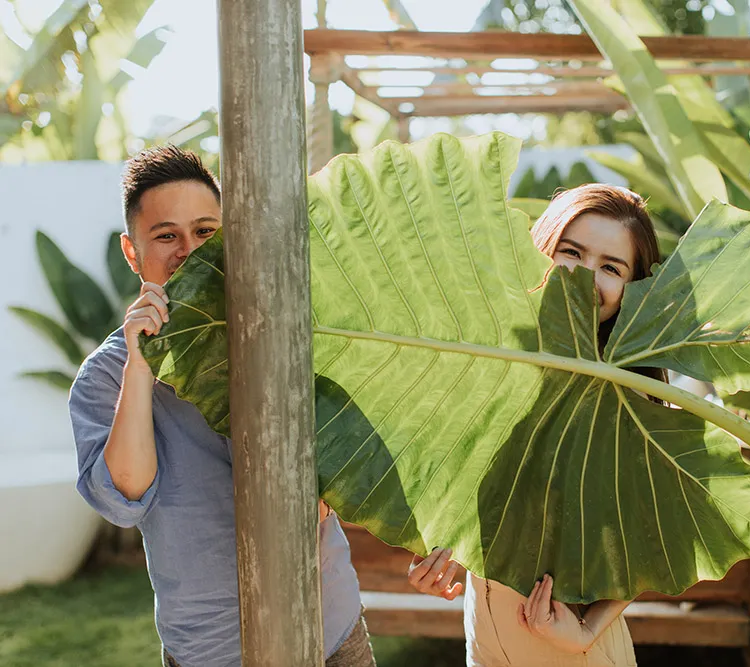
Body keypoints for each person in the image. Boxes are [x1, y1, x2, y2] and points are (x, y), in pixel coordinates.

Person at [68, 146, 376, 667]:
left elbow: (350, 458)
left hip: (330, 631)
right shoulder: (105, 375)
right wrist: (141, 367)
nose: (189, 249)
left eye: (206, 232)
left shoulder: (289, 334)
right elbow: (124, 499)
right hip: (210, 651)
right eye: (166, 235)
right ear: (131, 250)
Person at [408, 183, 662, 667]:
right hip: (485, 641)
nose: (585, 276)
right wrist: (443, 553)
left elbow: (654, 531)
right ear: (542, 250)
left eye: (611, 267)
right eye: (572, 252)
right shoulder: (486, 361)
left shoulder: (627, 394)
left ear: (631, 290)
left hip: (573, 651)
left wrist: (589, 629)